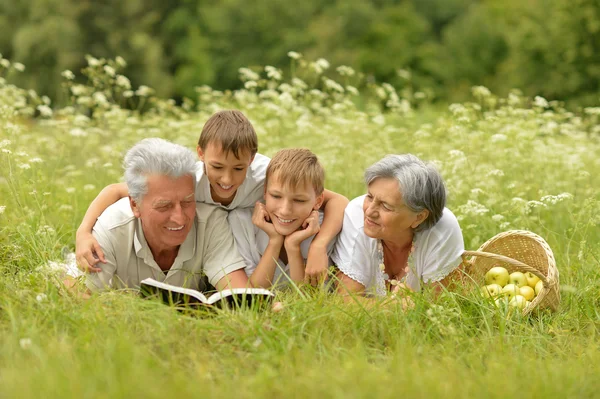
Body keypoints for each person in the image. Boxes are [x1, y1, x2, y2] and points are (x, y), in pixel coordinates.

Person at [75, 110, 347, 285]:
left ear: (251, 160)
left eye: (238, 168)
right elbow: (116, 190)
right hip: (207, 243)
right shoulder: (190, 178)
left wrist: (319, 246)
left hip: (231, 246)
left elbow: (336, 200)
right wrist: (83, 231)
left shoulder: (268, 178)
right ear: (201, 154)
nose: (227, 179)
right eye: (217, 167)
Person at [80, 138, 249, 293]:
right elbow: (80, 294)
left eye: (187, 202)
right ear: (135, 204)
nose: (180, 218)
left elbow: (239, 296)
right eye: (164, 206)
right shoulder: (113, 225)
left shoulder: (211, 221)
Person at [332, 154, 464, 298]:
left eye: (386, 206)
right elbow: (344, 306)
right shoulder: (357, 216)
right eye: (369, 197)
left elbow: (443, 308)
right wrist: (396, 308)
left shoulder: (442, 230)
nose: (369, 211)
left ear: (419, 217)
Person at [228, 148, 335, 289]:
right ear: (265, 191)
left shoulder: (326, 229)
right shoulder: (241, 222)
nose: (285, 210)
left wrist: (293, 247)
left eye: (299, 200)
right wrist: (274, 241)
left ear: (318, 201)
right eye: (276, 196)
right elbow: (254, 296)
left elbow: (308, 301)